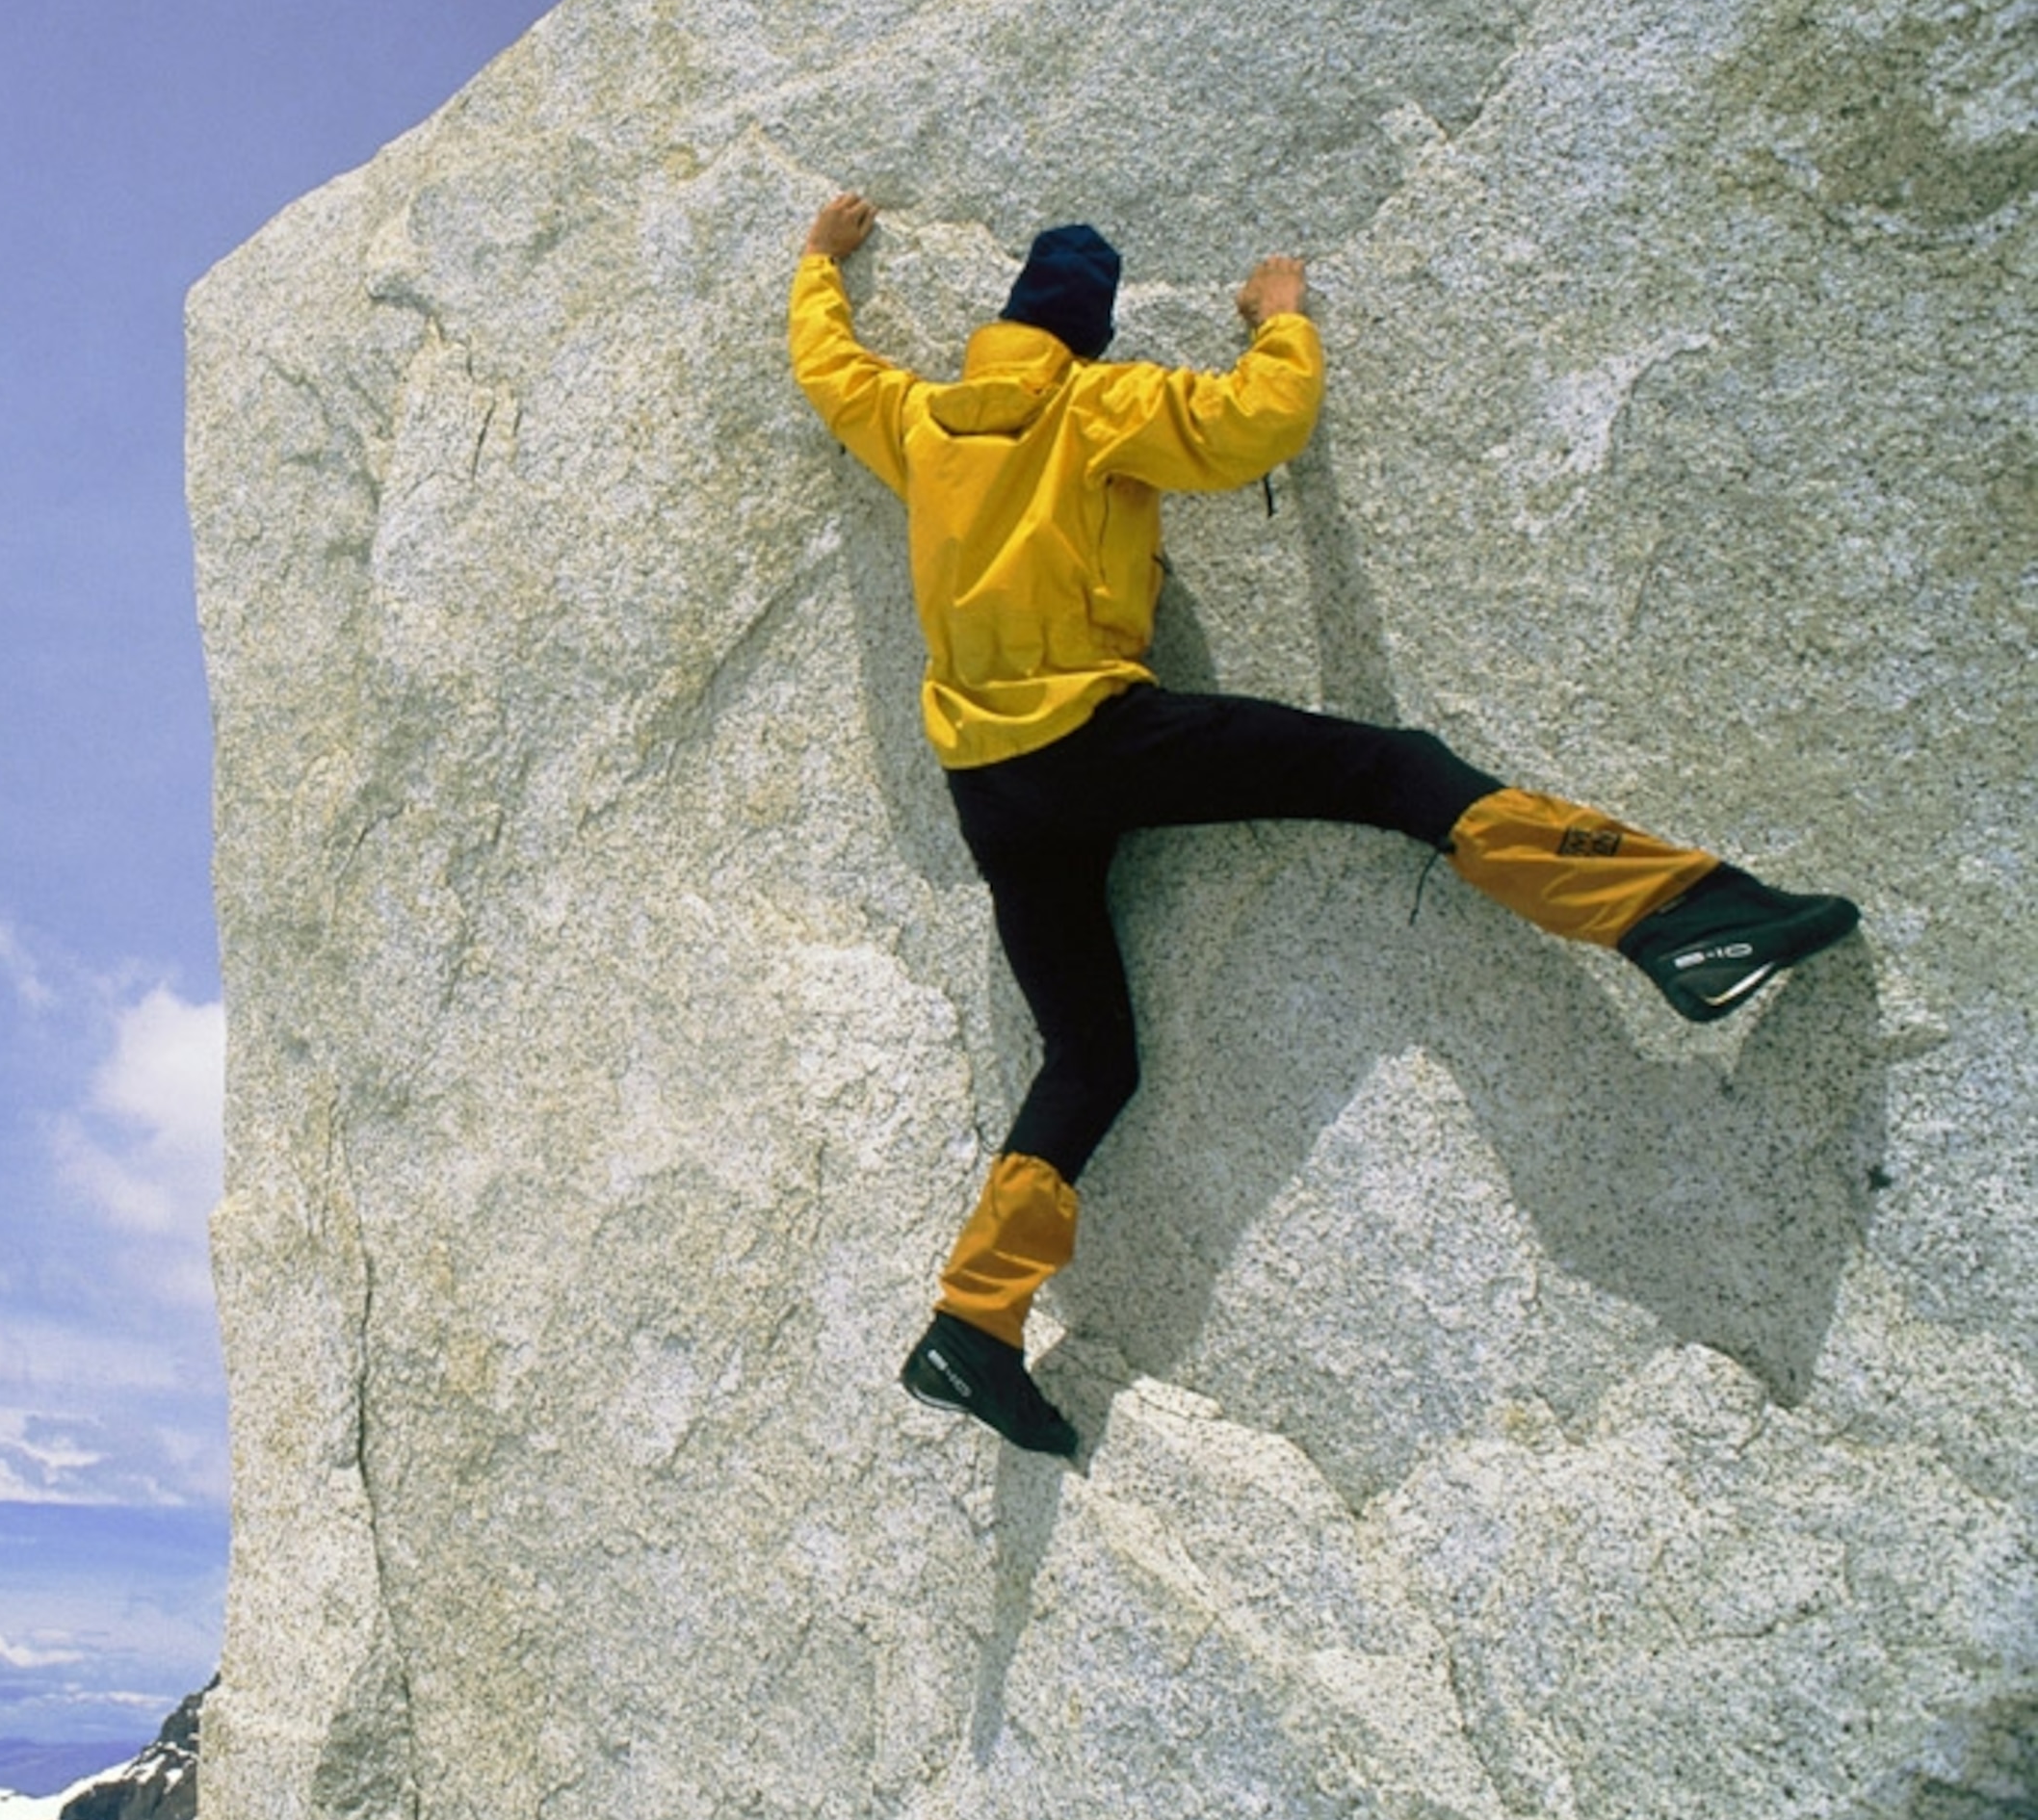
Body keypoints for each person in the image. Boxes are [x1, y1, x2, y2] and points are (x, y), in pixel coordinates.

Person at [788, 192, 1860, 1458]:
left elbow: (827, 365)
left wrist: (821, 261)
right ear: (1087, 333)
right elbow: (1262, 421)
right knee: (1390, 772)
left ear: (1003, 327)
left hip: (992, 792)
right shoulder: (1099, 404)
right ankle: (1676, 916)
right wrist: (1280, 317)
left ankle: (973, 1322)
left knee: (1089, 1059)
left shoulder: (916, 417)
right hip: (1099, 742)